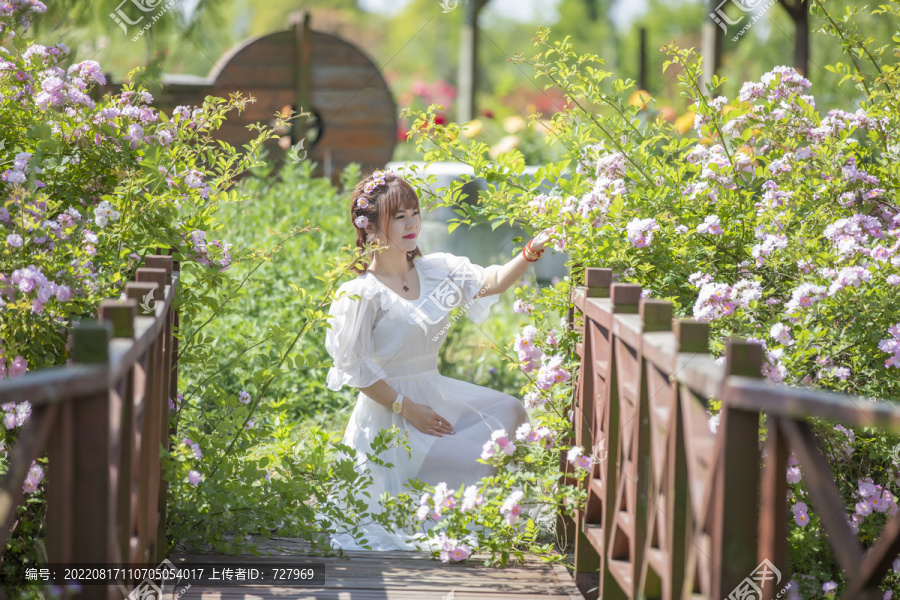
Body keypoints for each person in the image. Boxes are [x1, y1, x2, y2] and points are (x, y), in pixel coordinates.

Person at [320, 168, 555, 551]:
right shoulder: (360, 294)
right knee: (465, 455)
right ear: (373, 228)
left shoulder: (435, 272)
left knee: (508, 411)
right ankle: (430, 509)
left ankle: (445, 507)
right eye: (399, 217)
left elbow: (491, 281)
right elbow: (357, 371)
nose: (412, 223)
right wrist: (407, 408)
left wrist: (529, 252)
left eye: (414, 212)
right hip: (389, 414)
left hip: (434, 390)